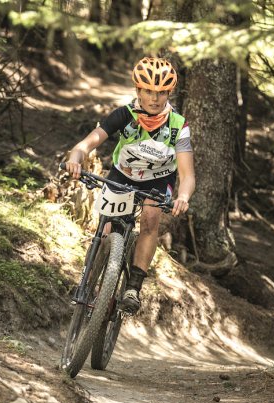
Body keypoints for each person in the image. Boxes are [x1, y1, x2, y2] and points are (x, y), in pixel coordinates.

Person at [65, 57, 195, 314]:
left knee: (150, 219)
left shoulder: (178, 126)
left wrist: (183, 196)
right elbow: (87, 143)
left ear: (168, 93)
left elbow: (187, 173)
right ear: (138, 90)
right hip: (123, 175)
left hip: (159, 180)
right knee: (108, 225)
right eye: (148, 91)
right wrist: (75, 158)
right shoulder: (124, 114)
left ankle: (133, 288)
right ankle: (90, 279)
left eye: (160, 93)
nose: (154, 98)